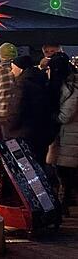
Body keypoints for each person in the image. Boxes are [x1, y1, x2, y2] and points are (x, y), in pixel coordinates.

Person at [7, 55, 57, 163]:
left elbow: (16, 109)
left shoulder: (22, 84)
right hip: (42, 130)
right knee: (40, 161)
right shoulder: (42, 80)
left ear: (20, 69)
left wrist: (10, 126)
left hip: (24, 132)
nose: (11, 72)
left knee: (27, 164)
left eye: (13, 68)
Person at [55, 65, 78, 212]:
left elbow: (65, 116)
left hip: (71, 135)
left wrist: (52, 117)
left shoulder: (73, 90)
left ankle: (65, 202)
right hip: (69, 135)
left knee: (66, 172)